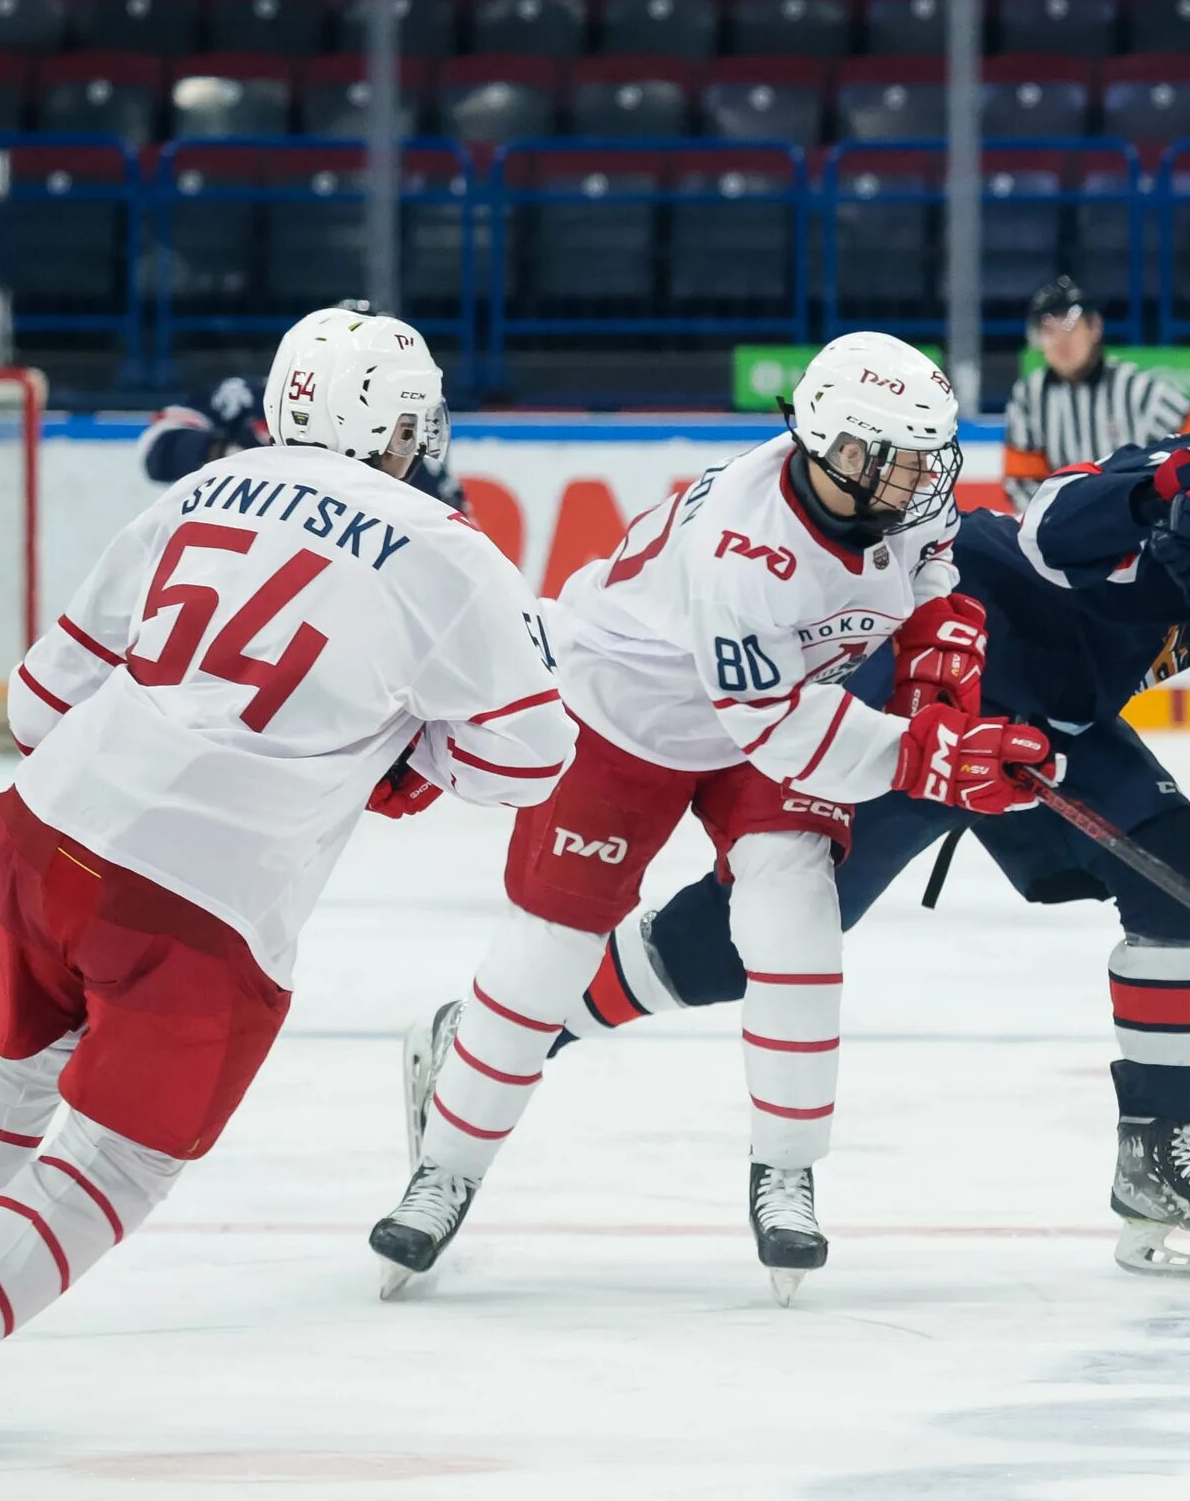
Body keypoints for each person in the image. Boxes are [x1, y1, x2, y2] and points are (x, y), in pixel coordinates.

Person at [442, 406, 1190, 1285]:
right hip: (945, 692)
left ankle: (1156, 1159)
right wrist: (1164, 501)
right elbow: (1054, 526)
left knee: (1183, 875)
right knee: (767, 934)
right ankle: (515, 1031)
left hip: (1057, 735)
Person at [0, 309, 575, 1458]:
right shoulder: (449, 548)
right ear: (392, 423)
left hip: (39, 837)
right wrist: (397, 753)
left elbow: (36, 708)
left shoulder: (201, 492)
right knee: (123, 1151)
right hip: (206, 903)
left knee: (4, 1060)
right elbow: (526, 761)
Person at [368, 332, 1060, 1306]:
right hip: (624, 712)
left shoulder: (896, 492)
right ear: (844, 453)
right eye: (907, 458)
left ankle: (787, 1171)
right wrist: (933, 756)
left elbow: (934, 582)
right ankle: (446, 1166)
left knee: (796, 916)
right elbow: (780, 733)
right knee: (552, 947)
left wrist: (942, 677)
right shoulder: (746, 551)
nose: (930, 475)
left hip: (767, 709)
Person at [142, 302, 465, 508]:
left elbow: (451, 540)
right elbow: (157, 450)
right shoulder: (243, 397)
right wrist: (233, 460)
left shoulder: (410, 428)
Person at [999, 274, 1190, 506]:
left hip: (1139, 529)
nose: (1060, 342)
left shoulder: (1138, 390)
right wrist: (1060, 525)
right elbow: (1021, 481)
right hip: (1064, 532)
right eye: (1049, 331)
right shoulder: (1030, 397)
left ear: (1095, 328)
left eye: (1070, 327)